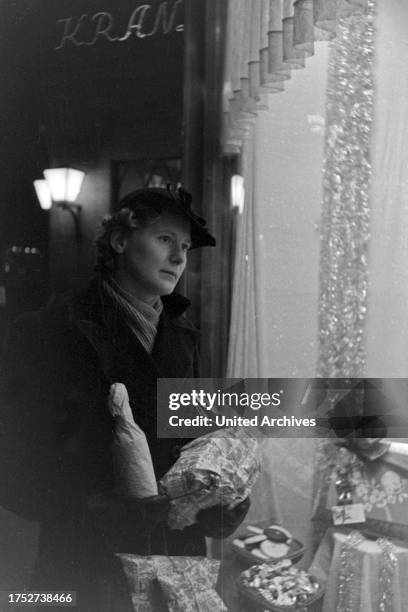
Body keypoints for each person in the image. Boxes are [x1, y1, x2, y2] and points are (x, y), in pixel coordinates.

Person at [0, 185, 249, 610]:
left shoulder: (184, 337)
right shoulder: (49, 329)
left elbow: (197, 447)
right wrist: (114, 510)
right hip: (86, 568)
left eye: (185, 247)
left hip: (176, 567)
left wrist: (220, 501)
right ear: (120, 240)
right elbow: (17, 475)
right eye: (166, 239)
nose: (179, 258)